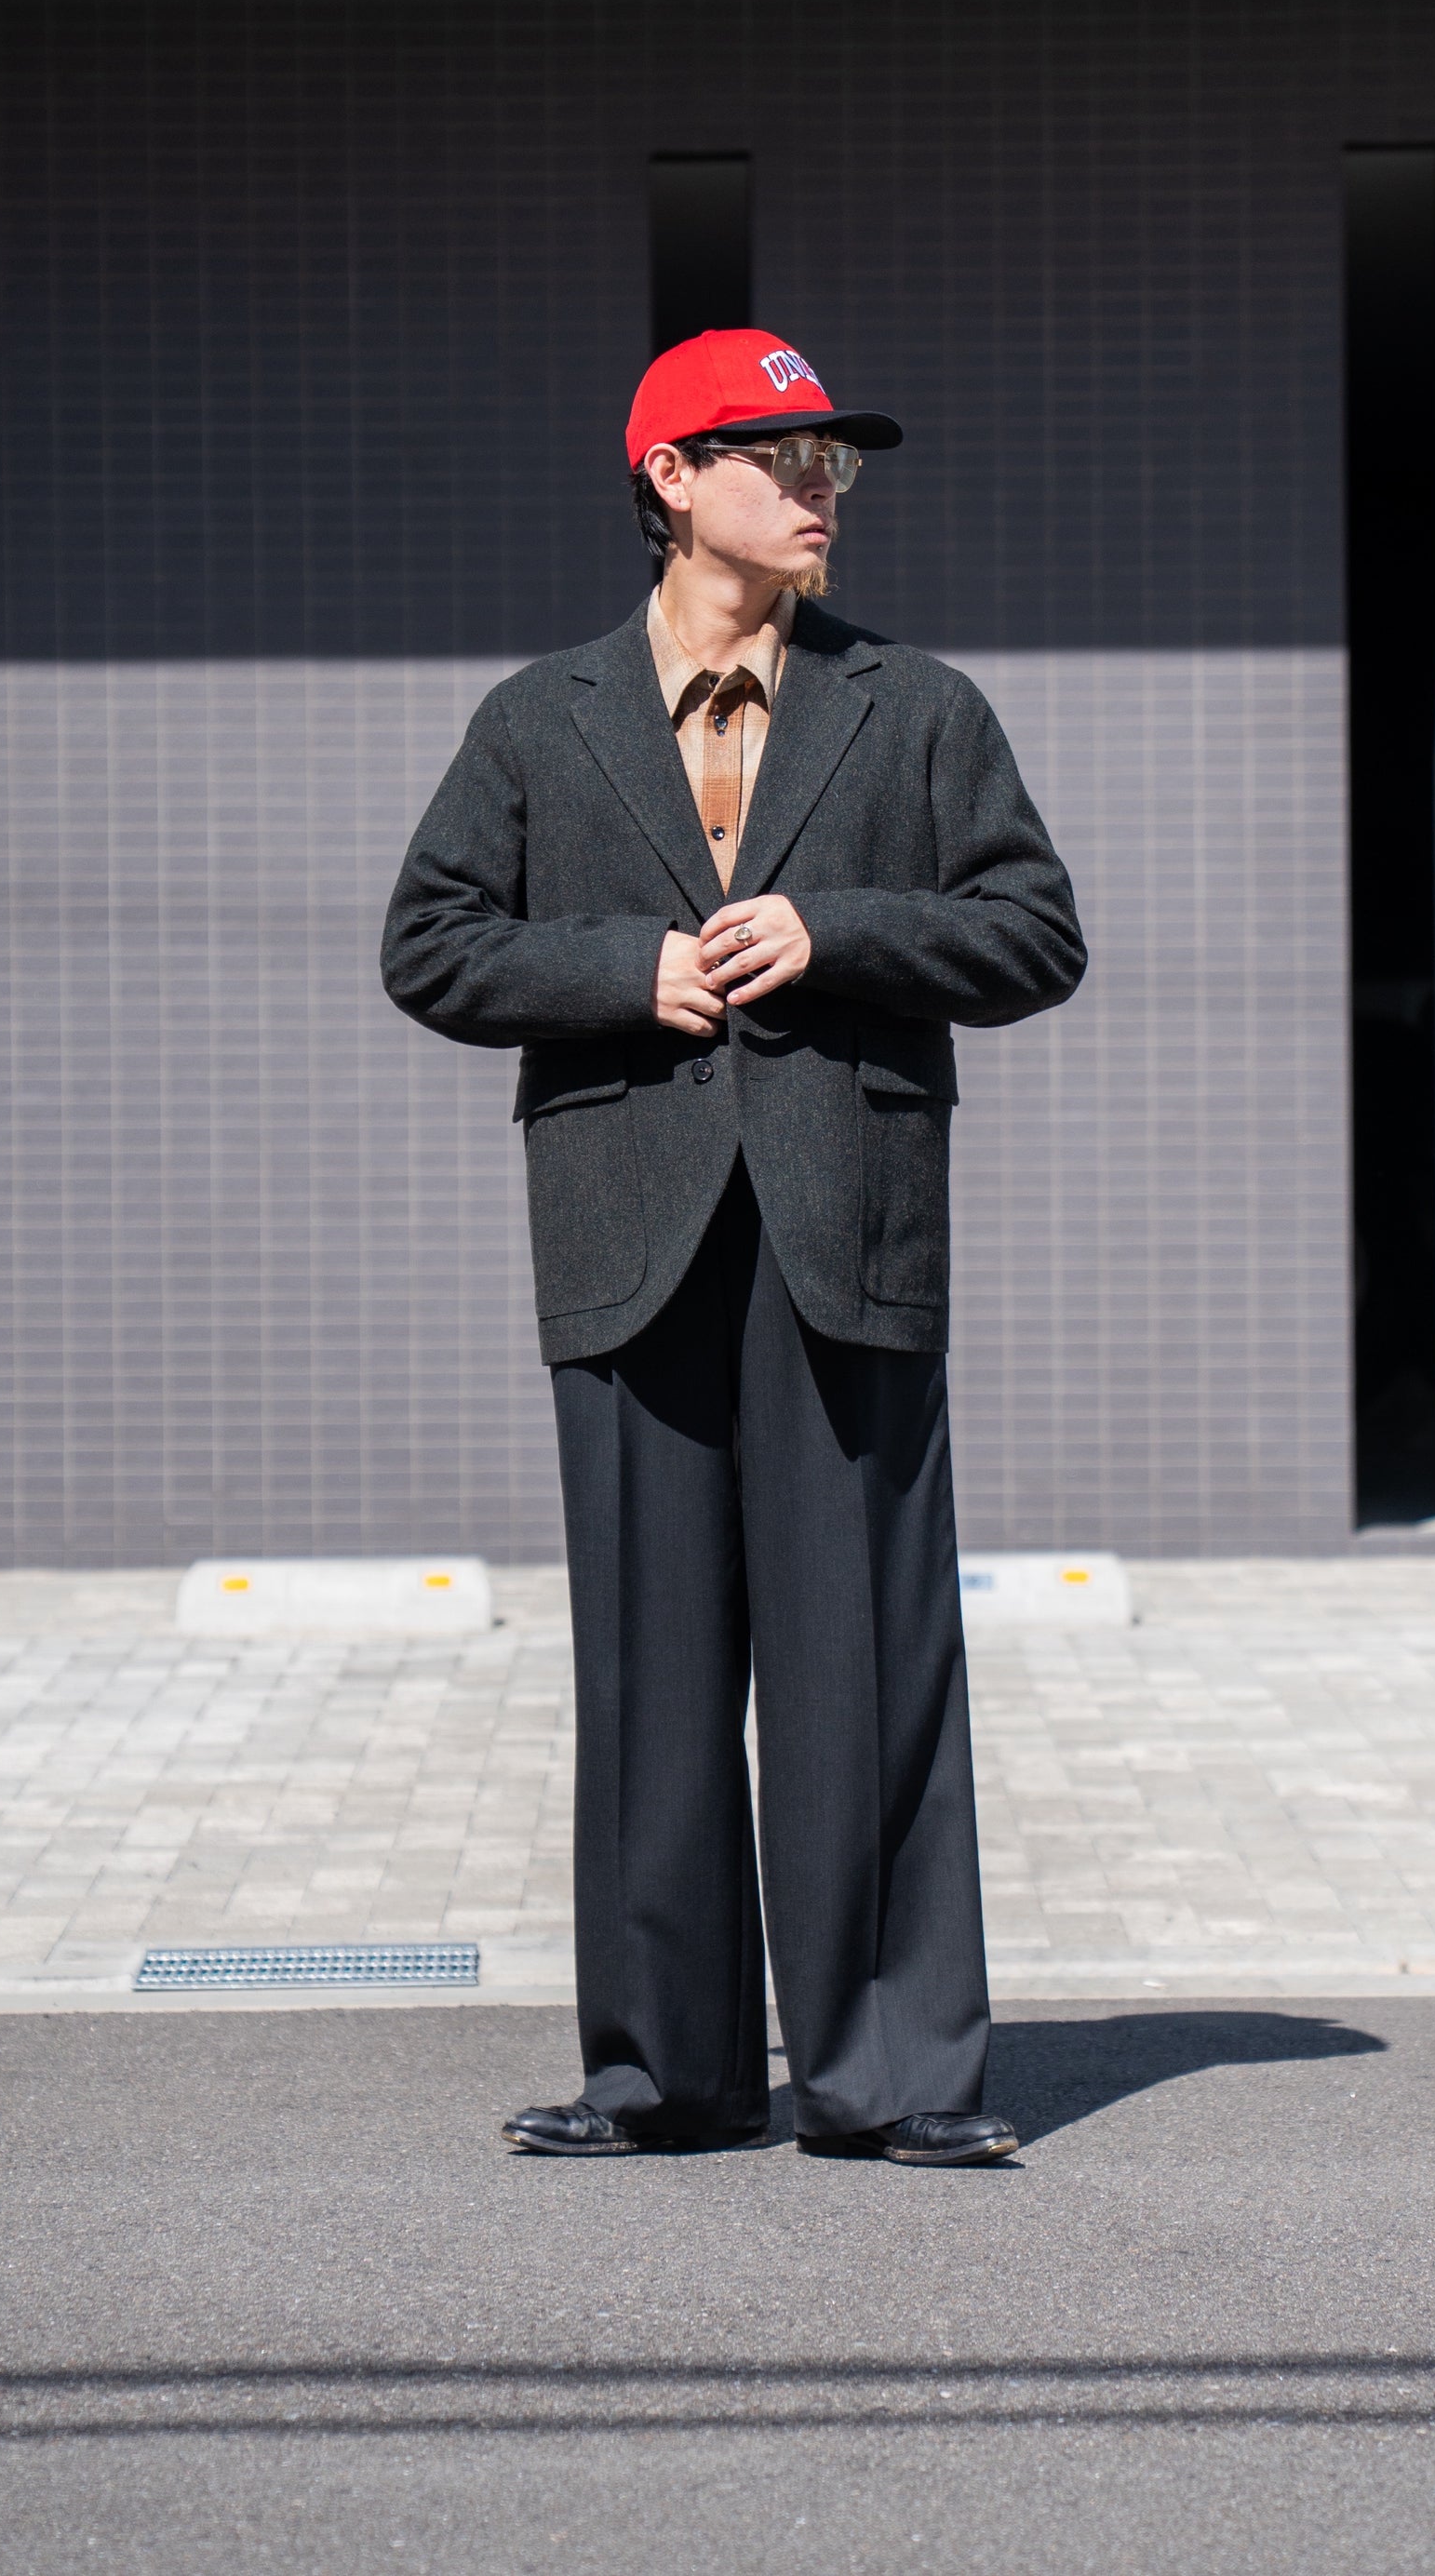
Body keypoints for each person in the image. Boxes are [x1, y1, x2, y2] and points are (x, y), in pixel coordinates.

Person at [382, 327, 1085, 2163]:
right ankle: (665, 2073)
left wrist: (835, 931)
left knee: (870, 1669)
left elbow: (1034, 932)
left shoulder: (915, 706)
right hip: (626, 1238)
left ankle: (896, 2075)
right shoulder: (540, 717)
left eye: (830, 458)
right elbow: (430, 943)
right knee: (650, 1675)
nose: (818, 485)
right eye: (779, 455)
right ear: (671, 478)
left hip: (850, 1232)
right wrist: (624, 971)